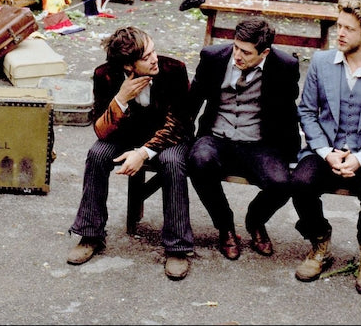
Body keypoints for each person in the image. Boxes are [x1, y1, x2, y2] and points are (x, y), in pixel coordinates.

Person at [290, 0, 361, 294]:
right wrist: (326, 153)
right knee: (300, 182)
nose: (340, 33)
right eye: (339, 26)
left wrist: (360, 158)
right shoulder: (321, 62)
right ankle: (319, 241)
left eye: (349, 29)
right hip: (325, 147)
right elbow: (307, 111)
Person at [67, 26, 195, 281]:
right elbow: (101, 131)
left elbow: (179, 123)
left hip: (170, 137)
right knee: (97, 155)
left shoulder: (174, 70)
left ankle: (178, 247)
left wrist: (143, 153)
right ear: (128, 65)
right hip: (126, 134)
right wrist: (121, 99)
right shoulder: (105, 75)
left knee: (172, 162)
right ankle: (90, 234)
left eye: (153, 51)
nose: (154, 59)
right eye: (146, 57)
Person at [187, 16, 300, 260]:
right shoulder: (213, 57)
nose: (237, 56)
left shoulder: (285, 66)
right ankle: (225, 225)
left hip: (258, 142)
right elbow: (192, 101)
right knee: (199, 161)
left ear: (265, 52)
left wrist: (292, 158)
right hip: (216, 136)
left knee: (282, 184)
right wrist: (184, 140)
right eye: (236, 47)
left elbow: (289, 114)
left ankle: (255, 220)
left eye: (246, 52)